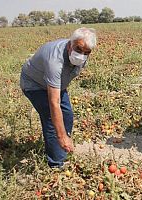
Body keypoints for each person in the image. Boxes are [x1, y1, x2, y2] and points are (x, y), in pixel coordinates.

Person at [20, 27, 97, 167]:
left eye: (86, 53)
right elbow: (54, 103)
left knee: (66, 115)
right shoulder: (55, 61)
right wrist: (61, 136)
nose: (81, 55)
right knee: (51, 118)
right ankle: (56, 164)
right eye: (78, 50)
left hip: (56, 84)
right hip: (34, 84)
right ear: (70, 45)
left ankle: (62, 149)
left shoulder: (82, 56)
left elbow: (66, 76)